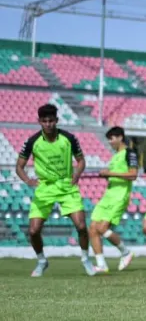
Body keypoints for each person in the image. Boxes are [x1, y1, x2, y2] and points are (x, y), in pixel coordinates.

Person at [15, 104, 95, 277]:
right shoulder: (32, 141)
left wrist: (77, 175)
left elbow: (81, 161)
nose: (48, 124)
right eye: (45, 121)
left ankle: (85, 259)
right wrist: (28, 180)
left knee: (81, 226)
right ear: (40, 122)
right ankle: (42, 261)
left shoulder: (69, 138)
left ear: (57, 121)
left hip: (67, 186)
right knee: (33, 231)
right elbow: (19, 167)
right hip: (45, 187)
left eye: (51, 121)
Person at [89, 126, 139, 274]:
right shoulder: (115, 155)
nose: (110, 142)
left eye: (112, 139)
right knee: (92, 228)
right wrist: (107, 175)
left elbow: (133, 175)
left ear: (120, 137)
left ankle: (126, 252)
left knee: (102, 228)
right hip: (108, 195)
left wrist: (110, 173)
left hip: (120, 195)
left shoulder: (130, 153)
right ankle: (101, 265)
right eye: (108, 139)